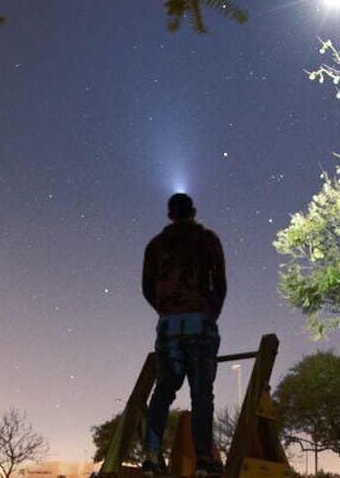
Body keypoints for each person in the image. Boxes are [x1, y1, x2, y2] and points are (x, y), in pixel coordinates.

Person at [142, 193, 227, 477]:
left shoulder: (155, 245)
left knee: (163, 391)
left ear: (169, 215)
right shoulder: (208, 239)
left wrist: (166, 311)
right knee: (202, 393)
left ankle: (152, 455)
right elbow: (221, 283)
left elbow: (147, 287)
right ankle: (203, 459)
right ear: (193, 211)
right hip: (200, 323)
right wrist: (209, 311)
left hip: (168, 326)